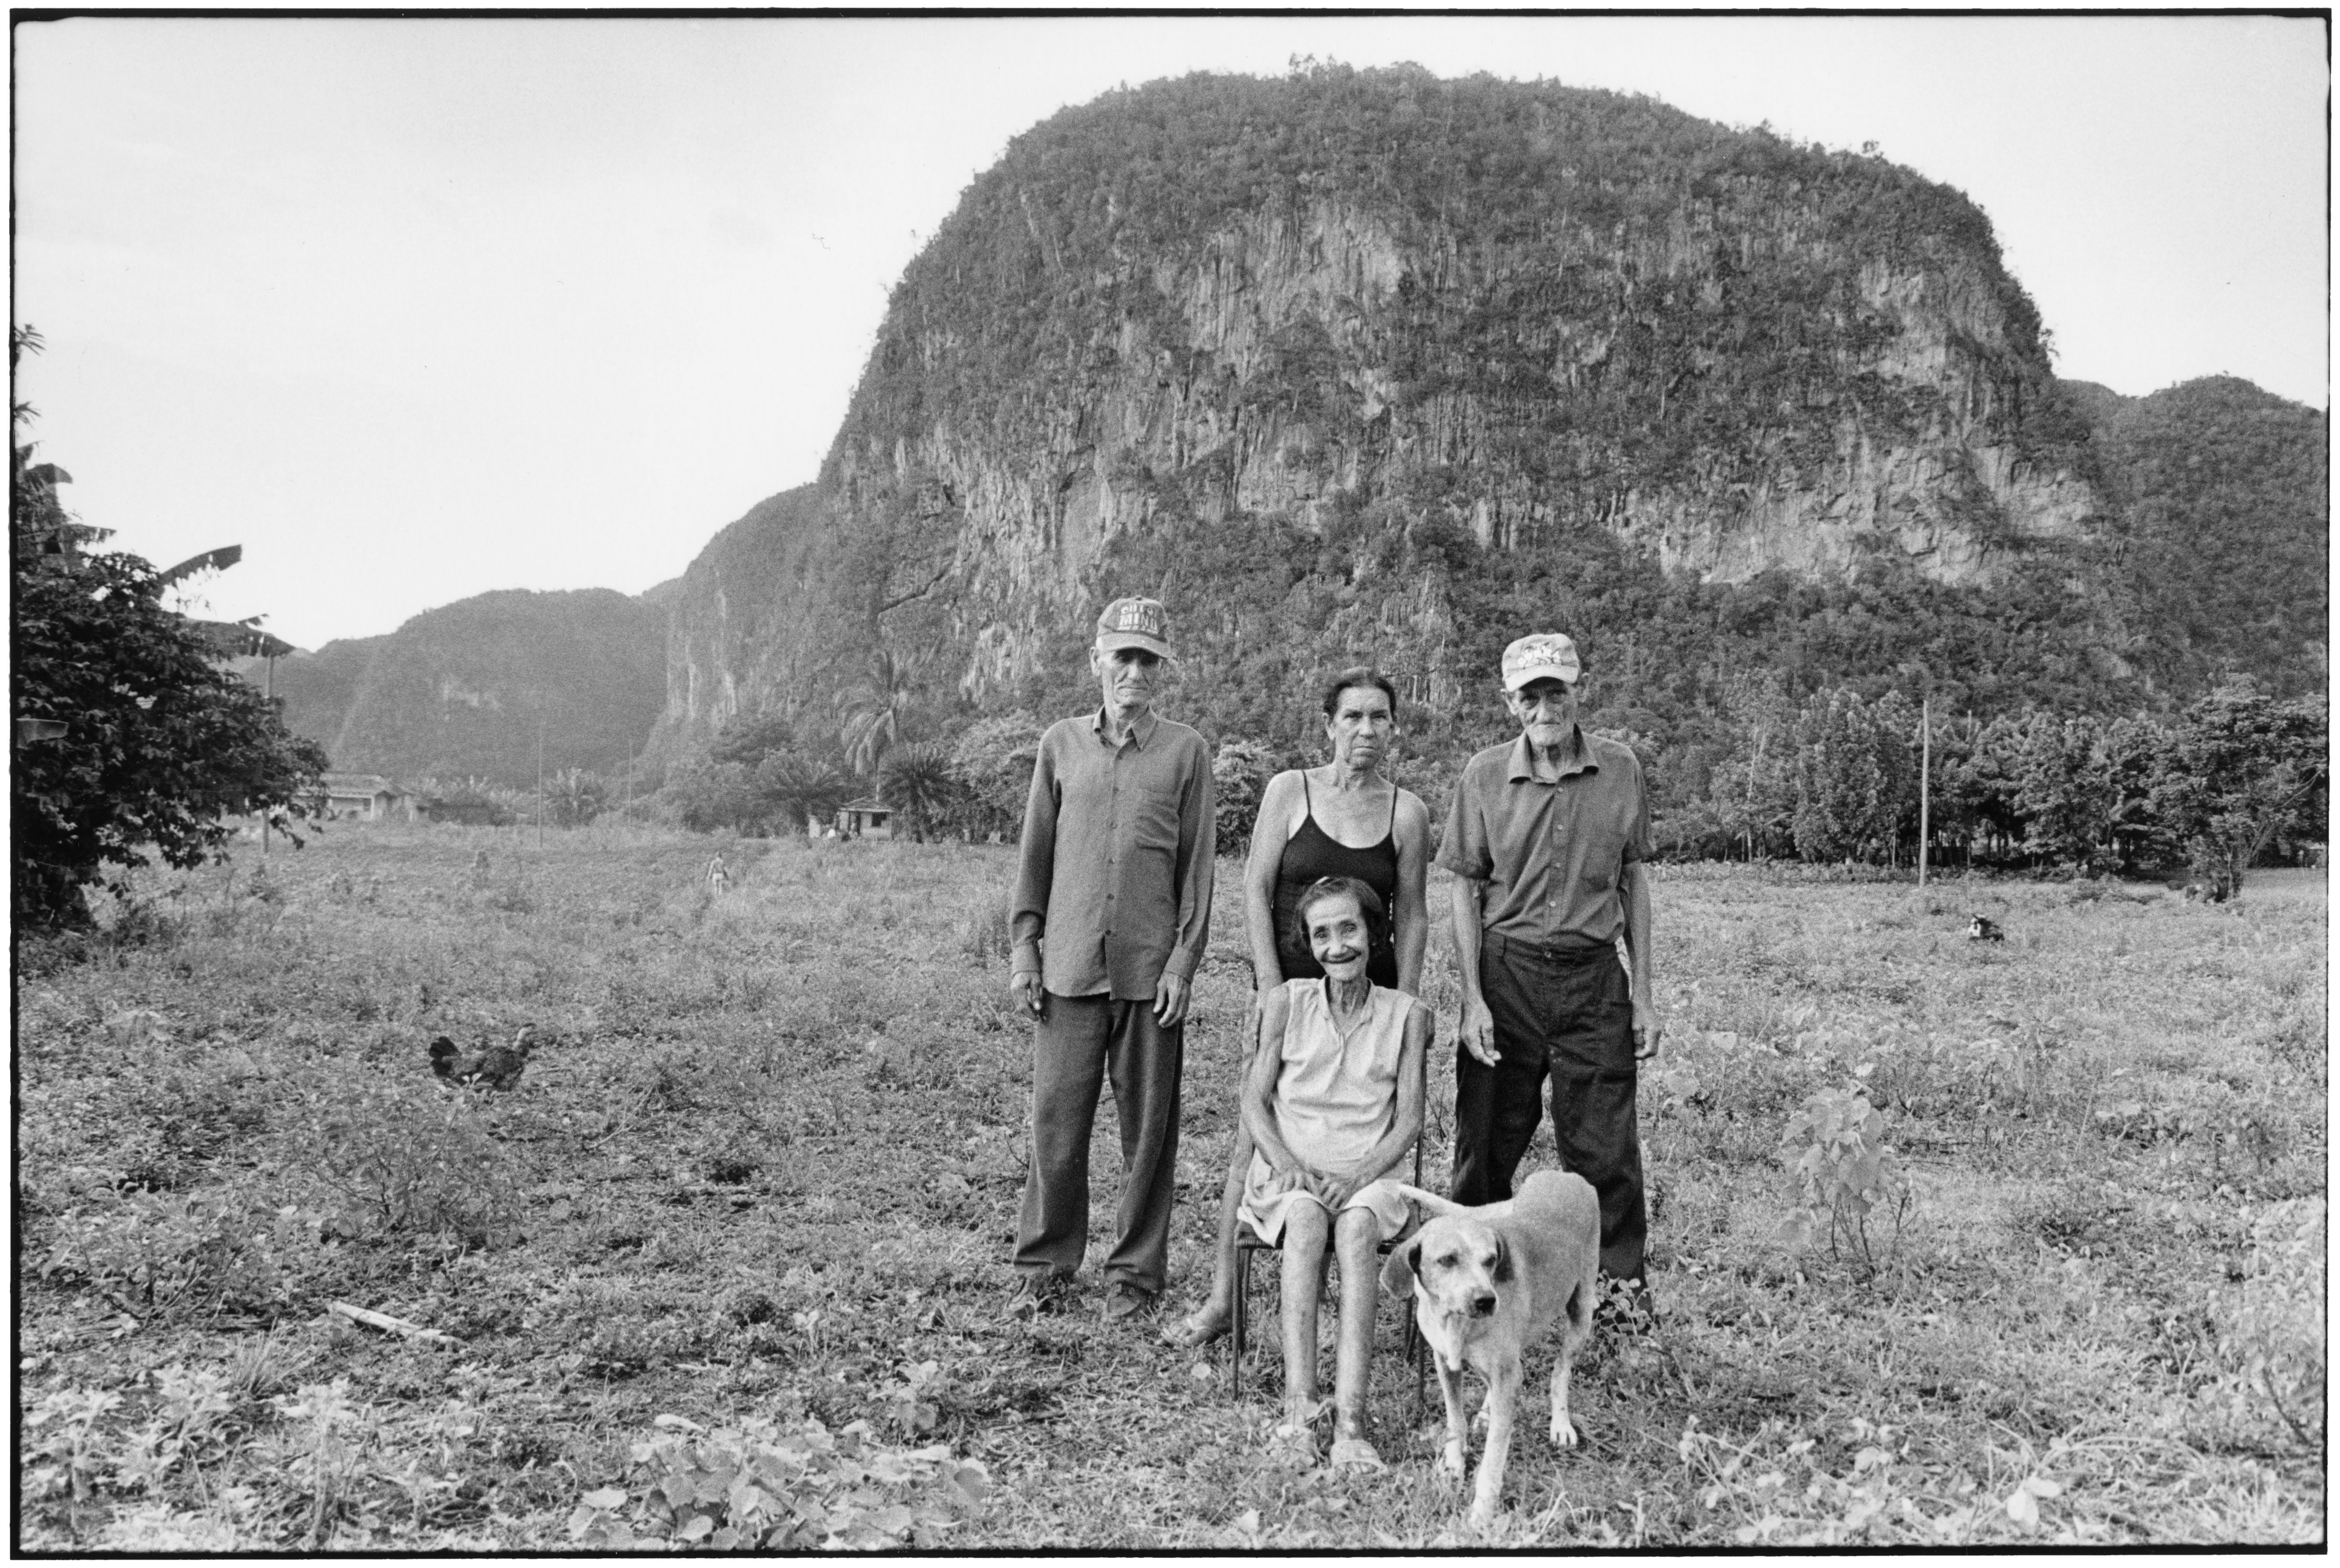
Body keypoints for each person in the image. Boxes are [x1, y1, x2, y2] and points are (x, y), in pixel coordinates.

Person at [1165, 667, 1430, 1349]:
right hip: (1289, 992)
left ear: (1394, 728)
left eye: (1379, 717)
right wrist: (1270, 988)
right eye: (1353, 717)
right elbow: (1255, 889)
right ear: (1329, 725)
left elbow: (1414, 914)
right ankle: (1223, 1299)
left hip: (1368, 998)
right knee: (1253, 1142)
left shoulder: (1406, 812)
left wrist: (1410, 1006)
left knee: (1361, 1130)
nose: (1366, 730)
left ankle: (1349, 1278)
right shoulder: (1290, 791)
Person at [1006, 597, 1216, 1324]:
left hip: (1149, 975)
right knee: (1056, 1124)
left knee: (1149, 1133)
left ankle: (1135, 1275)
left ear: (1163, 669)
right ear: (1096, 660)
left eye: (1148, 660)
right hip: (1067, 968)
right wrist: (1025, 948)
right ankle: (1045, 1264)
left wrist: (1183, 962)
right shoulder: (1059, 745)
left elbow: (1197, 869)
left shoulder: (1186, 752)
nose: (1135, 671)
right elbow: (1035, 854)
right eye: (1123, 657)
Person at [1437, 632, 1661, 1298]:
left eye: (1556, 693)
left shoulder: (1620, 769)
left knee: (1605, 1150)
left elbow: (1634, 879)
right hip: (1507, 976)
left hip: (1594, 979)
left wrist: (1643, 996)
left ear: (1577, 692)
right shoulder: (1484, 776)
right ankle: (1467, 1290)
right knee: (1485, 1143)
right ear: (1511, 704)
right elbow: (1463, 888)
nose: (1545, 709)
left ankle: (1617, 1299)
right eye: (1530, 697)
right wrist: (1473, 1001)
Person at [1238, 875, 1428, 1468]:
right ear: (1308, 942)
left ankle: (1351, 1421)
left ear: (1375, 934)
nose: (1337, 946)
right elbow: (1254, 1102)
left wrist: (1358, 1178)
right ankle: (1300, 1410)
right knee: (1305, 1219)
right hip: (1291, 1177)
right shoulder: (1287, 1002)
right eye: (1322, 934)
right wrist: (1289, 1166)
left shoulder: (1407, 1014)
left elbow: (1410, 1121)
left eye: (1349, 929)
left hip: (1371, 1177)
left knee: (1357, 1227)